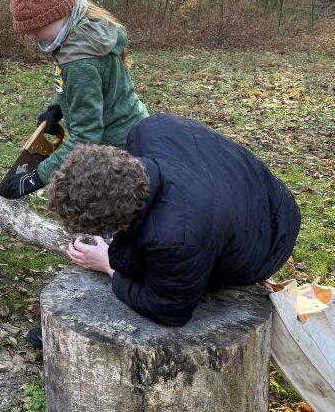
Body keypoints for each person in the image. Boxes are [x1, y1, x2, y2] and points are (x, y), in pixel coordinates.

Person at [47, 113, 301, 328]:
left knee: (140, 266)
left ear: (120, 224)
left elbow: (169, 309)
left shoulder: (176, 238)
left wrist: (107, 265)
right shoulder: (152, 129)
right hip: (262, 192)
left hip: (270, 241)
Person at [5, 0, 149, 199]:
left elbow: (86, 138)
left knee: (104, 214)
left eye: (36, 27)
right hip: (127, 131)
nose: (30, 35)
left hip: (118, 149)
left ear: (56, 14)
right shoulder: (80, 29)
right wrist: (57, 107)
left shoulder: (80, 61)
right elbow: (82, 86)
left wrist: (39, 175)